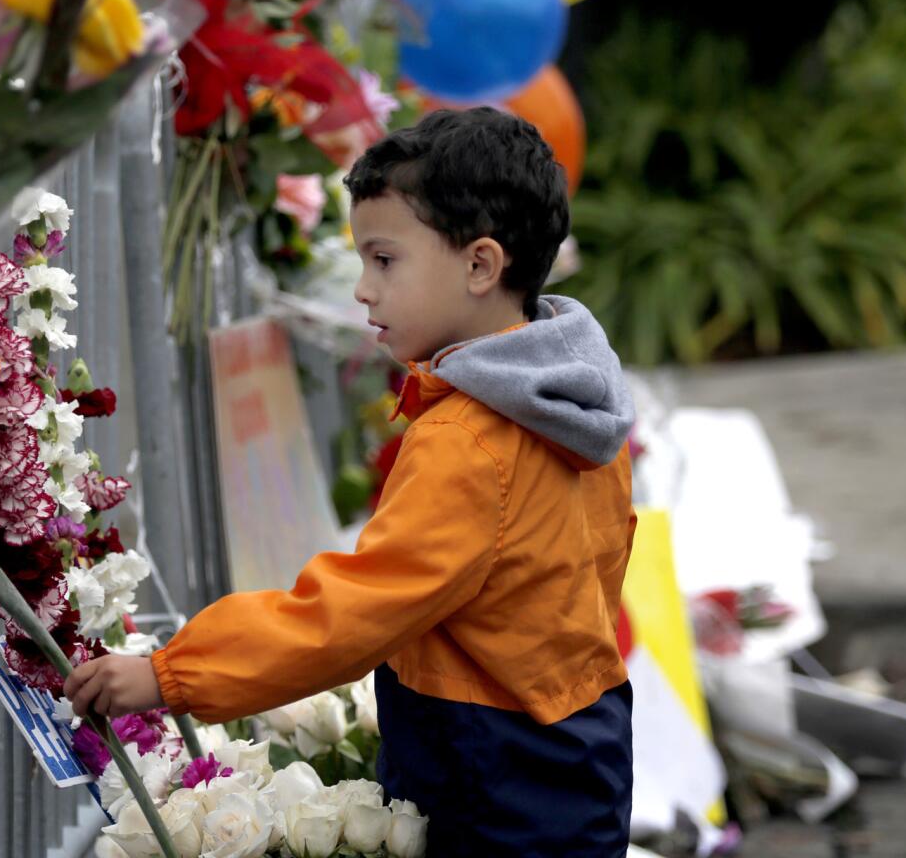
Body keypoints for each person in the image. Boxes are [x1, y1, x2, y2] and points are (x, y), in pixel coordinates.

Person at [66, 107, 638, 856]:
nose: (363, 290)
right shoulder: (573, 398)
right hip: (579, 747)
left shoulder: (466, 440)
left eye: (385, 260)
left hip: (491, 777)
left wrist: (171, 675)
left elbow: (349, 612)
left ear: (480, 265)